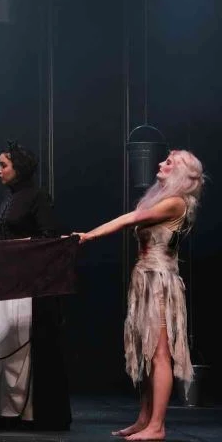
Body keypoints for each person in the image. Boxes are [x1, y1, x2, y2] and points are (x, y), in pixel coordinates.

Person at [76, 150, 204, 441]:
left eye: (168, 162)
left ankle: (157, 426)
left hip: (159, 282)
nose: (160, 163)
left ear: (182, 173)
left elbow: (129, 219)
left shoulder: (175, 202)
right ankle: (145, 419)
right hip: (145, 278)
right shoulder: (162, 199)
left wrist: (89, 235)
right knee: (147, 352)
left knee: (160, 354)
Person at [0, 141, 71, 431]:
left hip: (30, 283)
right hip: (8, 280)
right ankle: (3, 410)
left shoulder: (37, 197)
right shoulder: (9, 197)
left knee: (24, 343)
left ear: (18, 168)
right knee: (3, 341)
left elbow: (49, 237)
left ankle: (31, 412)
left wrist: (17, 248)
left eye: (3, 165)